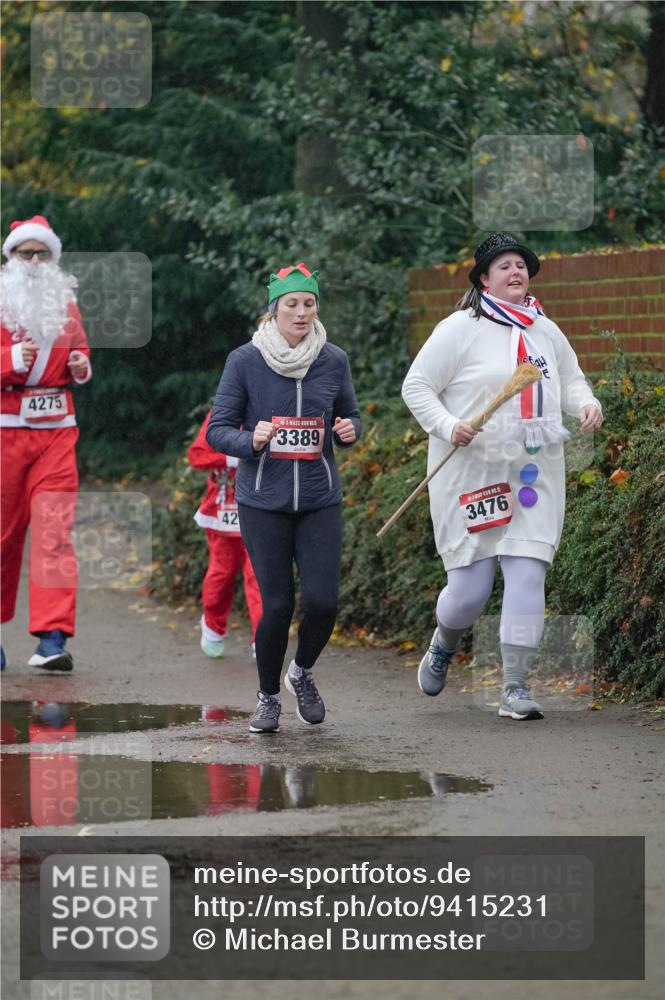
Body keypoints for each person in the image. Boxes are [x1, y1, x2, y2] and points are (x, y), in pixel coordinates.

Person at [402, 233, 603, 721]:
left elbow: (570, 378)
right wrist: (449, 425)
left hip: (534, 473)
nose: (516, 272)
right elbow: (417, 385)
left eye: (521, 265)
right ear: (483, 280)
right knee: (469, 593)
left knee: (528, 572)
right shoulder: (459, 329)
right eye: (505, 266)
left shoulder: (544, 329)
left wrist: (585, 402)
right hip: (473, 474)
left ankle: (515, 686)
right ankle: (444, 642)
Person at [206, 263, 361, 733]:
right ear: (273, 310)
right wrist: (250, 440)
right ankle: (268, 697)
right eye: (291, 304)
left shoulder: (333, 359)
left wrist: (349, 431)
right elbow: (217, 430)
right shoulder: (244, 361)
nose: (301, 312)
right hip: (263, 501)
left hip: (319, 499)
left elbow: (350, 416)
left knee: (324, 602)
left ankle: (302, 673)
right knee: (276, 605)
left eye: (309, 303)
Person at [1, 215, 92, 672]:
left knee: (55, 532)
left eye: (43, 253)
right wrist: (11, 358)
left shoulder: (66, 306)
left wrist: (80, 365)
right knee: (2, 535)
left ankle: (52, 639)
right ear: (11, 257)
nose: (35, 262)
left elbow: (82, 351)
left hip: (56, 430)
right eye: (26, 253)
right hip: (5, 432)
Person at [188, 410, 262, 659]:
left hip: (260, 506)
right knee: (221, 574)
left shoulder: (270, 407)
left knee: (259, 576)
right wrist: (231, 457)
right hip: (222, 509)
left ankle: (263, 638)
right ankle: (213, 626)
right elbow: (197, 455)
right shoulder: (220, 413)